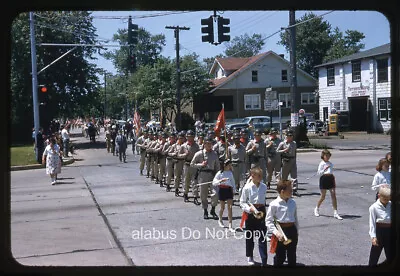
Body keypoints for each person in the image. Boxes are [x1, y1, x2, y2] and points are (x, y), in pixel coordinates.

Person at [239, 166, 268, 266]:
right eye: (258, 176)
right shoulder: (247, 188)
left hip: (261, 210)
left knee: (262, 236)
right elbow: (242, 202)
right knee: (249, 236)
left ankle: (264, 260)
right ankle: (250, 256)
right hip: (251, 212)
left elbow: (263, 200)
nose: (260, 177)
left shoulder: (264, 186)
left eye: (261, 175)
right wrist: (249, 209)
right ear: (252, 176)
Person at [265, 179, 299, 267]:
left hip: (292, 230)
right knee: (280, 256)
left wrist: (296, 231)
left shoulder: (293, 202)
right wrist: (276, 233)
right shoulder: (274, 204)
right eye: (290, 190)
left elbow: (295, 218)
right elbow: (268, 221)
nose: (292, 192)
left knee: (292, 255)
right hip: (281, 231)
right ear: (282, 192)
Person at [191, 136, 220, 220]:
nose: (209, 145)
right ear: (204, 144)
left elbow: (217, 166)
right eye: (207, 144)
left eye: (210, 144)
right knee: (203, 194)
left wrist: (218, 176)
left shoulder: (214, 154)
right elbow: (192, 164)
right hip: (202, 175)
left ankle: (213, 209)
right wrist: (201, 165)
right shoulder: (199, 153)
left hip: (212, 175)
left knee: (215, 193)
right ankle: (205, 210)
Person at [314, 149, 343, 220]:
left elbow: (331, 172)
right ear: (323, 156)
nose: (327, 157)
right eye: (326, 156)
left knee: (333, 195)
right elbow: (319, 173)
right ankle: (316, 208)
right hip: (324, 179)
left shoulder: (330, 163)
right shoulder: (321, 163)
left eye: (328, 156)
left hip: (330, 179)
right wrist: (324, 169)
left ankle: (335, 212)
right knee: (323, 196)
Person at [368, 185, 392, 266]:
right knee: (374, 256)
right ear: (379, 196)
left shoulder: (391, 205)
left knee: (391, 255)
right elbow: (372, 223)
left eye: (388, 199)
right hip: (380, 232)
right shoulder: (374, 207)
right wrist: (373, 237)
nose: (386, 201)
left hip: (390, 232)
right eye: (384, 199)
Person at [213, 159, 235, 232]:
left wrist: (234, 190)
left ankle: (230, 225)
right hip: (222, 190)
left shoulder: (230, 173)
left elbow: (233, 182)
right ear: (225, 165)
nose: (230, 166)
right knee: (222, 207)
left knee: (230, 207)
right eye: (229, 165)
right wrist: (221, 181)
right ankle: (220, 219)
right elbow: (214, 182)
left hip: (229, 190)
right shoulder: (220, 173)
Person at [276, 129, 299, 197]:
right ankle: (282, 189)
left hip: (292, 160)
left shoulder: (294, 143)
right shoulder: (282, 143)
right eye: (288, 136)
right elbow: (277, 151)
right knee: (284, 177)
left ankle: (294, 190)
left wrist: (295, 159)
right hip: (286, 160)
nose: (290, 137)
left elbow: (295, 152)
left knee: (294, 176)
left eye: (291, 136)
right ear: (286, 136)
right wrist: (284, 150)